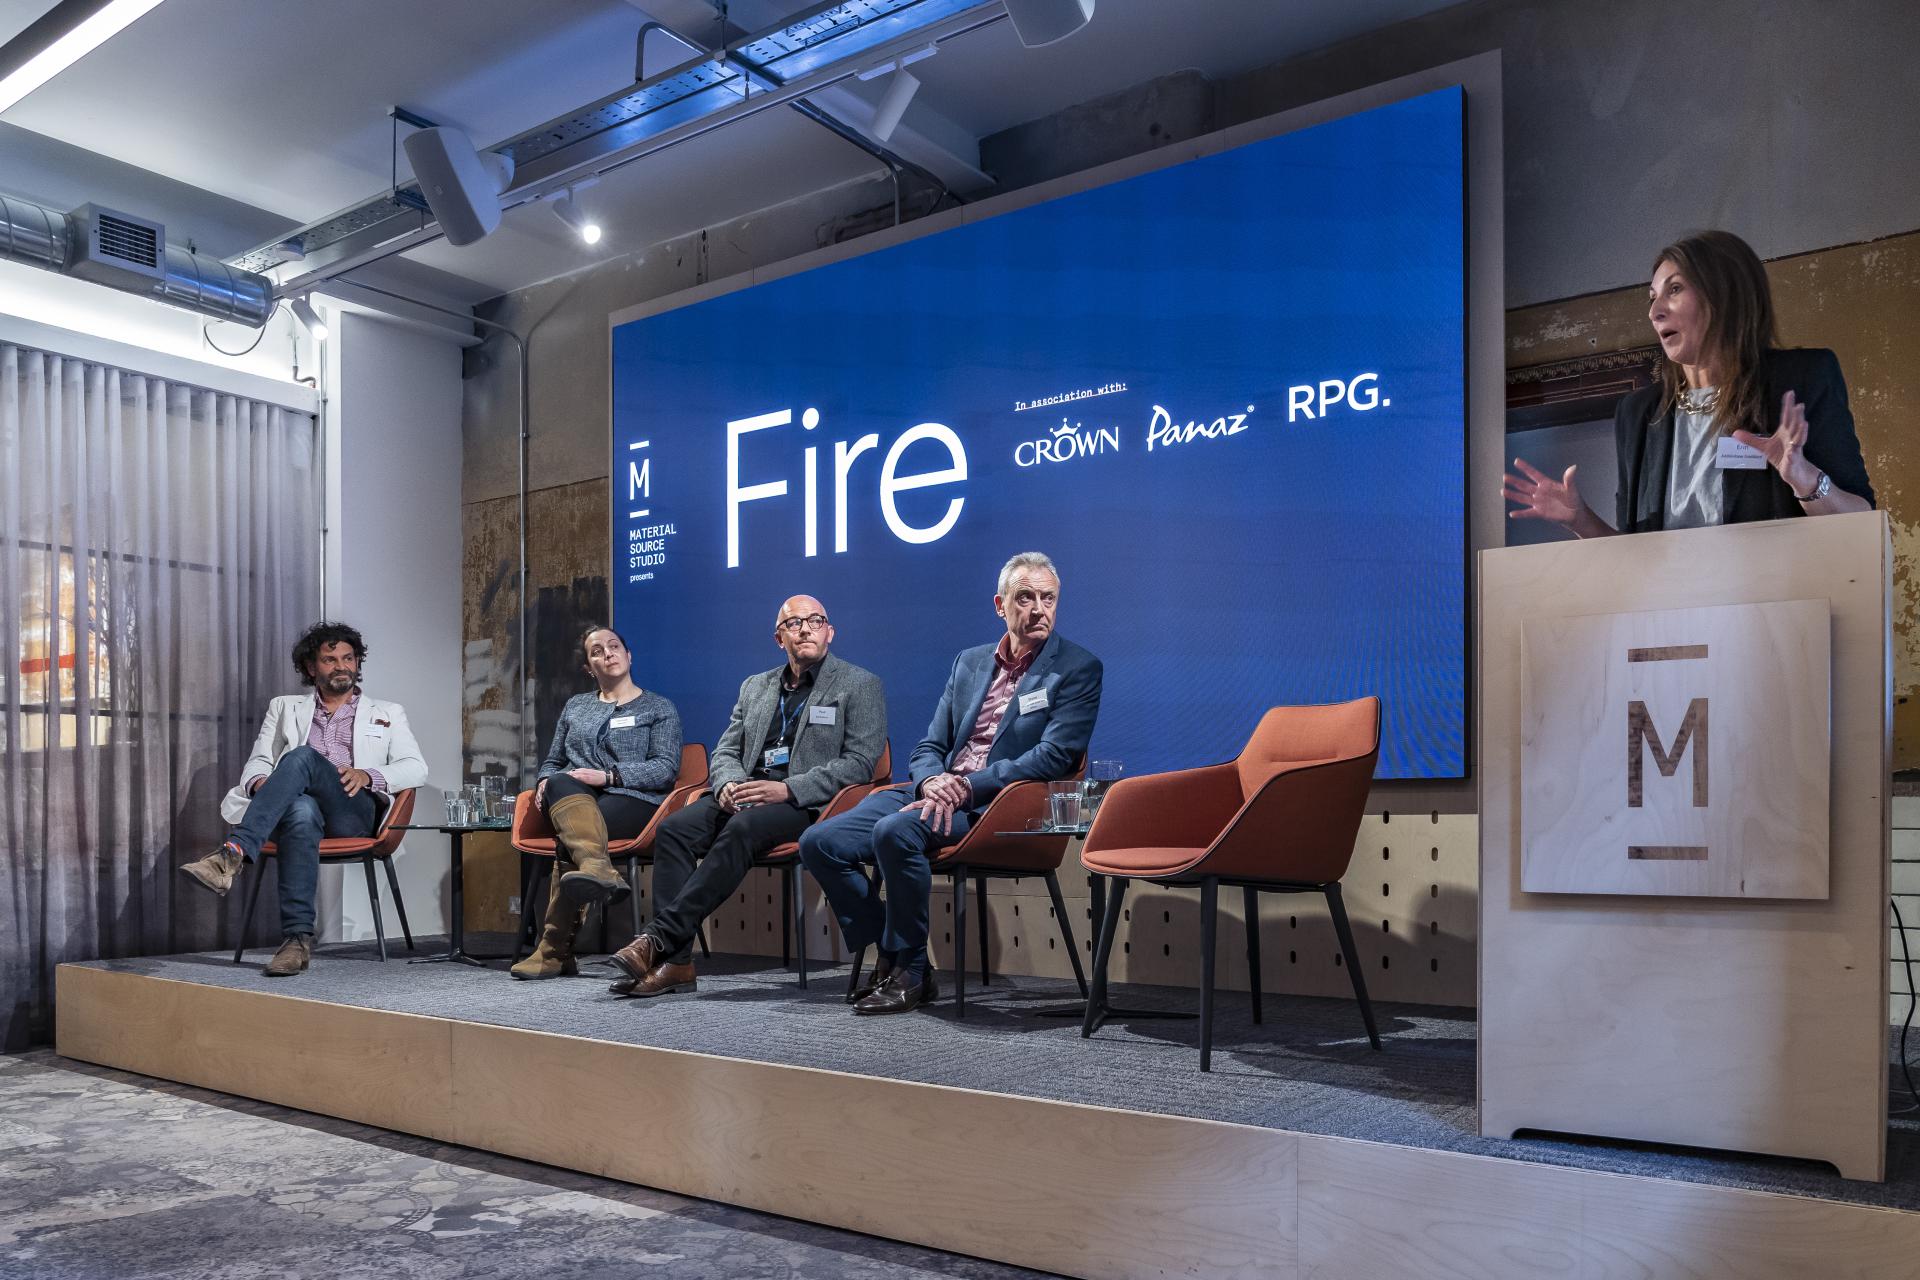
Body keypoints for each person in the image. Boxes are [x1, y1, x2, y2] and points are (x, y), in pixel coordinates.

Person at [800, 552, 1102, 1015]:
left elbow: (1055, 756)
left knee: (895, 832)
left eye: (1048, 598)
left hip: (999, 805)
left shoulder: (1078, 668)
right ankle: (897, 951)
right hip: (938, 790)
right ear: (1000, 605)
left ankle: (911, 973)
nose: (1039, 609)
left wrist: (967, 786)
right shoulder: (970, 662)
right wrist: (930, 782)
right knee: (820, 842)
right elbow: (928, 746)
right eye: (1026, 597)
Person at [1503, 229, 1874, 537]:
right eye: (1652, 298)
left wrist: (1802, 476)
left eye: (1675, 289)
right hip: (1671, 621)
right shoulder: (1638, 414)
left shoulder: (1801, 379)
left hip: (1779, 615)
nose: (1654, 311)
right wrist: (1579, 518)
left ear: (1725, 295)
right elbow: (1636, 559)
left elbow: (1860, 525)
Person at [607, 595, 886, 998]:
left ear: (830, 632)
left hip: (805, 804)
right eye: (794, 623)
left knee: (743, 828)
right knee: (674, 830)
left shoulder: (859, 684)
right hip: (744, 794)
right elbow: (725, 751)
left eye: (815, 620)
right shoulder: (755, 687)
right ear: (779, 638)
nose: (805, 628)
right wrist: (728, 785)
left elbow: (860, 763)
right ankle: (678, 964)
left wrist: (788, 788)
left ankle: (657, 939)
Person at [179, 622, 428, 976]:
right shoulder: (284, 707)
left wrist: (368, 775)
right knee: (299, 808)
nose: (341, 666)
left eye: (348, 658)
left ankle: (231, 855)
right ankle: (296, 941)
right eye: (330, 660)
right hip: (301, 810)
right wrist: (264, 783)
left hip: (352, 811)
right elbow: (259, 761)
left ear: (358, 663)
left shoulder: (388, 712)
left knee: (301, 757)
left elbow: (416, 768)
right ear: (311, 667)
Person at [511, 624, 684, 980]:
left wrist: (609, 777)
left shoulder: (658, 707)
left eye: (614, 645)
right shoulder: (576, 706)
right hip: (577, 799)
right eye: (597, 651)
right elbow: (553, 761)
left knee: (572, 838)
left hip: (636, 801)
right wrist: (545, 780)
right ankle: (596, 867)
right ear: (589, 667)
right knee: (561, 784)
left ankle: (553, 952)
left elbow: (666, 769)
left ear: (628, 654)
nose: (608, 653)